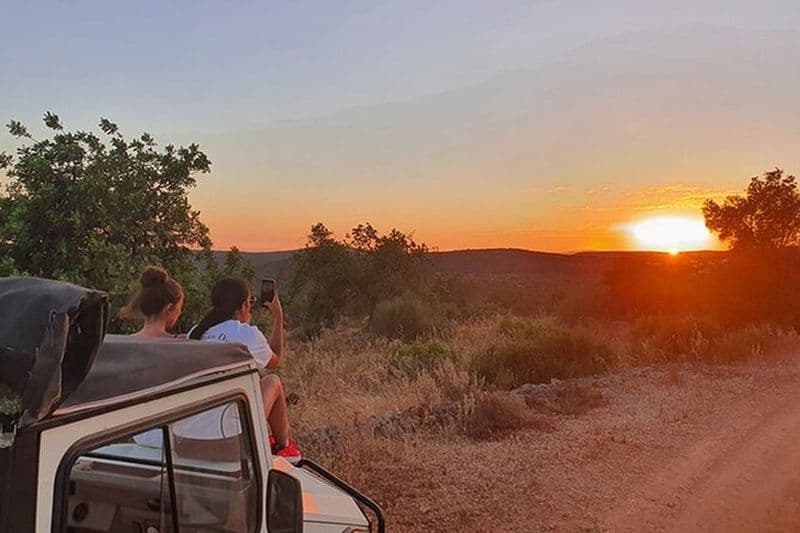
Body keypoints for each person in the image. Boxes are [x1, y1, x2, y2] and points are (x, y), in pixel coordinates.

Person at [188, 278, 301, 463]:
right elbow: (275, 360)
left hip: (189, 438)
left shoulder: (196, 332)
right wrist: (278, 318)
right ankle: (284, 447)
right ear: (243, 305)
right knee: (272, 381)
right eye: (250, 302)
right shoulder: (246, 334)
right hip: (229, 440)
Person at [122, 266, 184, 338]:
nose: (179, 314)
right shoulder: (180, 346)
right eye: (180, 308)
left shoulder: (125, 342)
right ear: (170, 308)